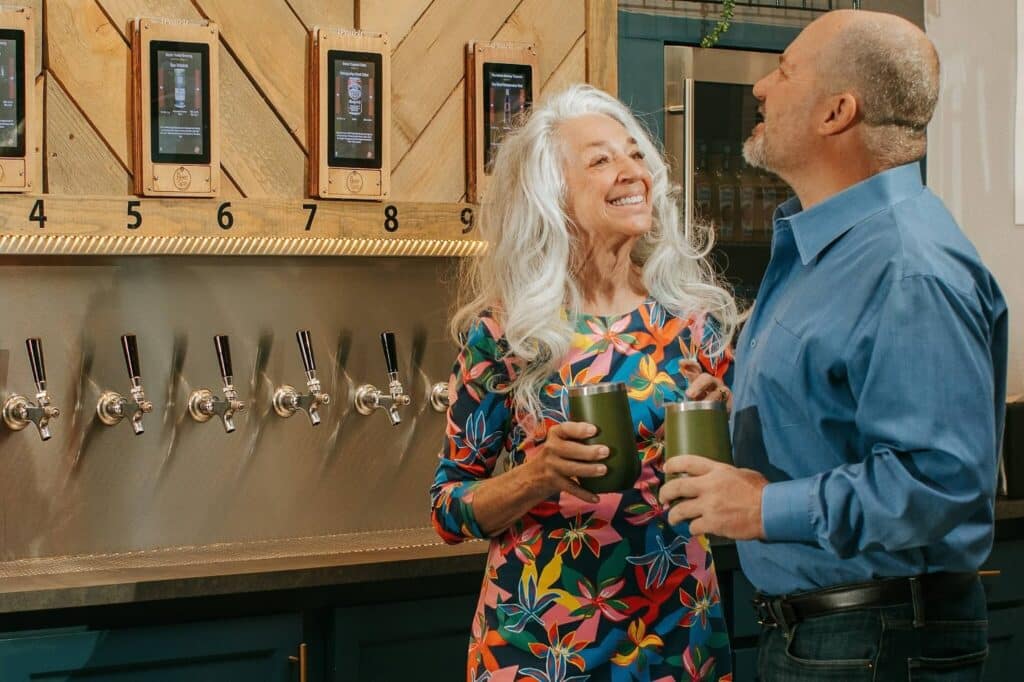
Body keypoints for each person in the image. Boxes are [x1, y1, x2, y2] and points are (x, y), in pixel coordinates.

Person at [659, 9, 1008, 681]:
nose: (761, 86)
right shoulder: (829, 245)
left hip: (874, 640)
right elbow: (848, 409)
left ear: (837, 112)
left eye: (786, 71)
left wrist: (763, 507)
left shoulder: (905, 267)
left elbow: (939, 482)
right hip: (832, 636)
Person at [430, 84, 738, 681]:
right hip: (545, 646)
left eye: (635, 154)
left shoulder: (694, 323)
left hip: (678, 641)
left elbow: (740, 495)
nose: (633, 172)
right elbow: (448, 507)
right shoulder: (507, 333)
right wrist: (537, 476)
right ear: (552, 198)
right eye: (601, 160)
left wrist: (731, 424)